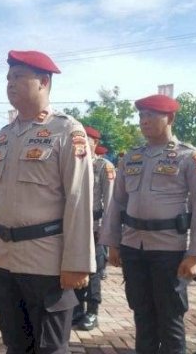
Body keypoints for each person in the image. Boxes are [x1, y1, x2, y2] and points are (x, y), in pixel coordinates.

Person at [0, 50, 95, 353]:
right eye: (8, 77)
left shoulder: (67, 131)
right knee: (15, 345)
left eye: (18, 76)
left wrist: (78, 262)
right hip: (4, 260)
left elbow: (78, 199)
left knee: (49, 348)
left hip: (46, 262)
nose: (10, 83)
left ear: (44, 81)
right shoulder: (3, 137)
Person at [100, 94, 196, 354]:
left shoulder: (190, 157)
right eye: (141, 115)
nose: (144, 120)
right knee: (142, 314)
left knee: (170, 317)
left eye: (151, 115)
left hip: (169, 249)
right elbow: (117, 202)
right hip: (133, 247)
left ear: (170, 118)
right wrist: (113, 244)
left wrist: (195, 255)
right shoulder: (131, 157)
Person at [72, 126, 115, 331]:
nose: (81, 143)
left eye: (86, 140)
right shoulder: (73, 164)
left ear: (95, 143)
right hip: (74, 226)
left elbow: (110, 202)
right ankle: (77, 309)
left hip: (95, 226)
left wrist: (106, 232)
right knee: (75, 266)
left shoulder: (103, 166)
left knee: (95, 270)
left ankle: (92, 311)